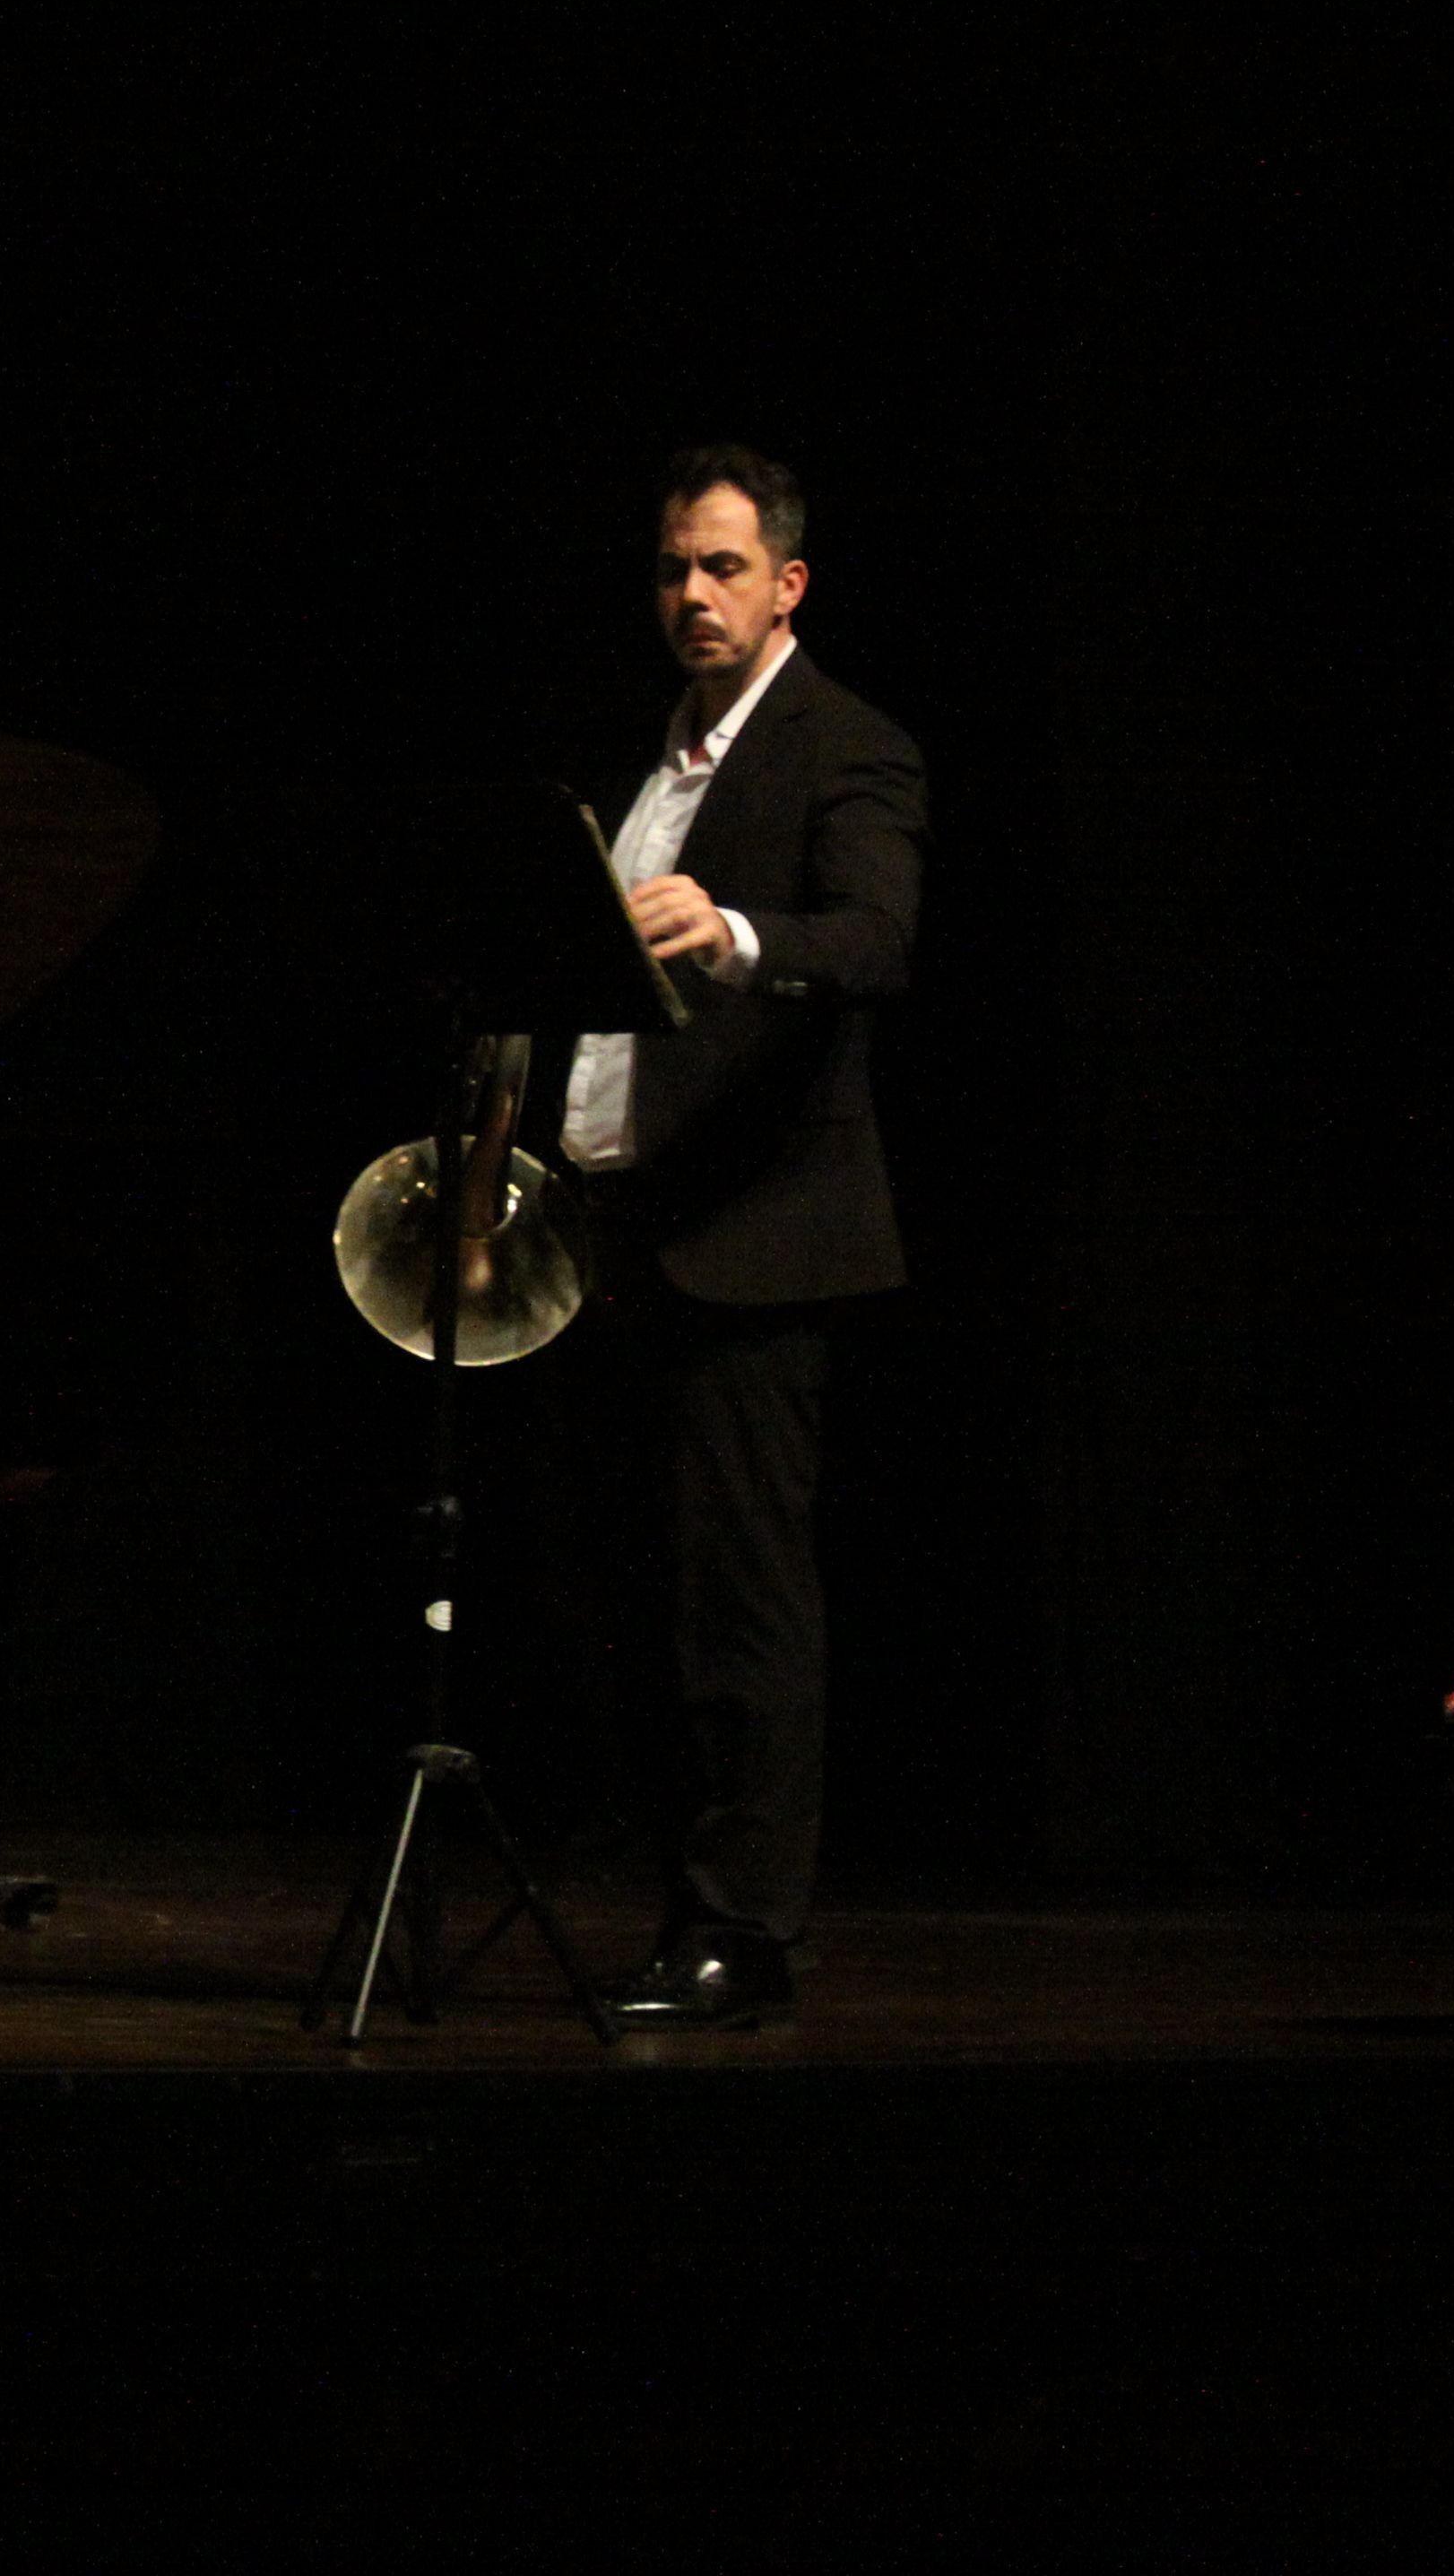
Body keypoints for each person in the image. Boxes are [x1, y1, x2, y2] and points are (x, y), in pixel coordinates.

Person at [550, 444, 925, 2029]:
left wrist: (740, 930)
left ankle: (743, 1928)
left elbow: (873, 937)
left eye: (720, 567)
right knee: (649, 1595)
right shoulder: (653, 761)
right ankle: (675, 1901)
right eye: (669, 569)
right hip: (627, 1230)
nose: (689, 595)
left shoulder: (848, 743)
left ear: (787, 583)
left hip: (759, 1238)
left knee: (744, 1600)